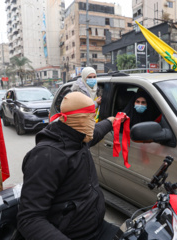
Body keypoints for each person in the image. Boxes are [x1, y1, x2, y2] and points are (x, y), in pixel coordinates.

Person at [17, 92, 119, 240]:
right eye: (88, 118)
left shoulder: (80, 137)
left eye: (93, 116)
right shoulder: (47, 156)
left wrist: (111, 121)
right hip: (72, 235)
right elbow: (30, 218)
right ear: (71, 119)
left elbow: (96, 132)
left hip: (97, 227)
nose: (92, 122)